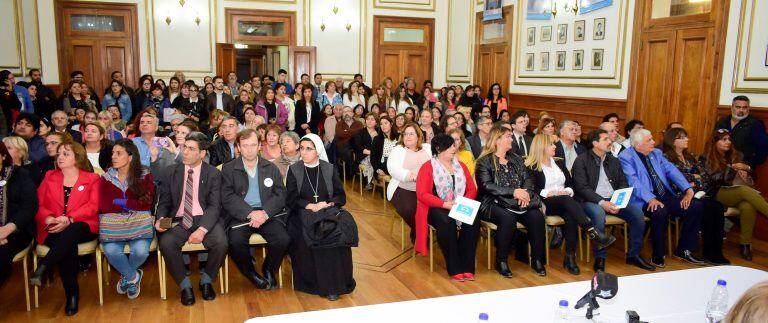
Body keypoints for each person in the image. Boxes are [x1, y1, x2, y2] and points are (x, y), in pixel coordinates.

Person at [525, 134, 616, 275]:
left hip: (564, 202)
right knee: (569, 202)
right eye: (551, 144)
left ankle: (570, 257)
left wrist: (566, 191)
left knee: (571, 214)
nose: (555, 146)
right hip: (544, 203)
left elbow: (571, 184)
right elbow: (531, 189)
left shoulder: (559, 163)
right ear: (541, 147)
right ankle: (591, 231)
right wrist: (551, 193)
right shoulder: (531, 166)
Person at [155, 132, 226, 306]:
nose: (185, 152)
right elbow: (164, 202)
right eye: (184, 147)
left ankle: (207, 280)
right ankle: (185, 285)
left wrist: (202, 230)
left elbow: (214, 206)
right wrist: (160, 219)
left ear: (202, 153)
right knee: (167, 243)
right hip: (179, 219)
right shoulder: (170, 172)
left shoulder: (213, 174)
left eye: (191, 149)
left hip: (204, 218)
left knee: (221, 242)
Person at [29, 142, 100, 316]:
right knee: (67, 246)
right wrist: (49, 218)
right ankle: (72, 295)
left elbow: (93, 206)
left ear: (77, 157)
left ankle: (44, 266)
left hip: (82, 226)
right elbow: (38, 204)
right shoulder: (49, 176)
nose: (60, 157)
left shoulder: (92, 178)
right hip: (53, 227)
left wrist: (69, 219)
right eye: (59, 154)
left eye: (66, 154)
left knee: (73, 230)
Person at [619, 129, 704, 267]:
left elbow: (672, 171)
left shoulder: (656, 153)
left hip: (665, 196)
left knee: (695, 206)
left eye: (652, 139)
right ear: (637, 144)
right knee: (659, 211)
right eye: (649, 140)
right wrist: (650, 198)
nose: (654, 142)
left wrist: (687, 189)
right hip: (643, 199)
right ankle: (658, 254)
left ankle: (684, 250)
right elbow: (633, 182)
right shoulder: (626, 157)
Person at [572, 129, 654, 272]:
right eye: (605, 139)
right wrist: (603, 203)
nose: (610, 141)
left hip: (613, 199)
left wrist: (618, 201)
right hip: (591, 200)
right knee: (598, 214)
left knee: (637, 214)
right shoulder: (581, 160)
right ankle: (600, 257)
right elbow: (582, 188)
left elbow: (623, 183)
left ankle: (633, 255)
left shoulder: (614, 160)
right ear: (595, 143)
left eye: (609, 139)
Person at [286, 134, 356, 301]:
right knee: (311, 233)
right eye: (301, 148)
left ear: (317, 151)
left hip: (327, 211)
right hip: (302, 212)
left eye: (308, 149)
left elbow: (341, 196)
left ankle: (336, 285)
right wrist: (310, 206)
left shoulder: (329, 168)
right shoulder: (294, 170)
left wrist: (328, 204)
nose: (303, 152)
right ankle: (315, 284)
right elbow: (290, 199)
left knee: (336, 233)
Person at [221, 128, 289, 290]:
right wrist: (250, 213)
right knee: (235, 241)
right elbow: (227, 197)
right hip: (241, 215)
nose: (249, 149)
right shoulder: (229, 169)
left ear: (260, 146)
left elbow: (280, 194)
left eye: (253, 145)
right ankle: (250, 272)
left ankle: (268, 268)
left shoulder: (270, 168)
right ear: (238, 147)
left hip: (267, 213)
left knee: (283, 239)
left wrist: (264, 213)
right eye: (245, 145)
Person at [413, 134, 478, 281]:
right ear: (438, 148)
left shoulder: (460, 165)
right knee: (447, 222)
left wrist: (462, 203)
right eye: (449, 146)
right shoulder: (428, 166)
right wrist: (444, 204)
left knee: (472, 220)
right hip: (435, 206)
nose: (453, 148)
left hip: (458, 204)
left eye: (454, 145)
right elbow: (422, 194)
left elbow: (472, 189)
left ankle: (467, 266)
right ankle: (454, 266)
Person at [661, 127, 730, 265]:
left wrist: (691, 179)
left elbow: (705, 177)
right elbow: (672, 181)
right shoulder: (665, 158)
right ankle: (702, 251)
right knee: (708, 207)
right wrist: (692, 179)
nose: (687, 139)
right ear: (672, 141)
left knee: (717, 206)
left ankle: (715, 251)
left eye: (686, 136)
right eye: (682, 137)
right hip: (678, 195)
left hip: (698, 193)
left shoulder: (690, 156)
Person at [99, 140, 155, 299]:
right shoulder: (105, 177)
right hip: (114, 228)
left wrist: (121, 202)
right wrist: (132, 204)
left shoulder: (144, 174)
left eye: (119, 153)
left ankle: (126, 277)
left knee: (141, 252)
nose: (114, 157)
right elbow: (105, 206)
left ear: (130, 157)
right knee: (111, 251)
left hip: (138, 226)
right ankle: (133, 277)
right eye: (113, 153)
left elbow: (146, 203)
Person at [703, 129, 768, 260]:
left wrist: (746, 169)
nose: (728, 142)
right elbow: (714, 180)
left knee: (747, 206)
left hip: (737, 192)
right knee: (744, 191)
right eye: (723, 139)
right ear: (715, 142)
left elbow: (753, 177)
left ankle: (745, 244)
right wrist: (732, 170)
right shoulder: (706, 157)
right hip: (717, 192)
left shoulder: (737, 155)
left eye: (729, 139)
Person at [0, 142, 38, 288]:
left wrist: (7, 229)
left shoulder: (19, 174)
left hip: (16, 229)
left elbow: (30, 206)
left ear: (3, 156)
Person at [387, 123, 431, 242]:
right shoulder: (398, 150)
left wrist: (421, 174)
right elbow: (392, 168)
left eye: (411, 134)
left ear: (418, 136)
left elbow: (435, 166)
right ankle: (420, 231)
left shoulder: (427, 148)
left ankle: (419, 231)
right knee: (409, 209)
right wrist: (412, 176)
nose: (407, 136)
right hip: (403, 187)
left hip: (426, 188)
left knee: (435, 208)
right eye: (405, 134)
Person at [714, 96, 768, 169]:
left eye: (744, 107)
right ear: (732, 108)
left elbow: (763, 148)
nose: (741, 110)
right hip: (720, 164)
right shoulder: (722, 122)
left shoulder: (755, 124)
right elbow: (713, 142)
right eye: (738, 107)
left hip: (742, 167)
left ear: (748, 109)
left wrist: (748, 166)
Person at [335, 106, 364, 176]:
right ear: (342, 114)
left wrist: (347, 132)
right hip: (343, 147)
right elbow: (340, 134)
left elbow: (361, 133)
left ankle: (360, 172)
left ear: (352, 113)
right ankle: (353, 169)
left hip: (356, 145)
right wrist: (354, 133)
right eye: (344, 112)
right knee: (347, 149)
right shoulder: (339, 124)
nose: (346, 113)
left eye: (348, 111)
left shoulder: (359, 123)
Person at [354, 113, 379, 189]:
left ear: (376, 122)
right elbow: (357, 146)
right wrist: (370, 152)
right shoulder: (360, 132)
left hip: (376, 155)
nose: (369, 121)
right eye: (368, 119)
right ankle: (370, 181)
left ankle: (381, 183)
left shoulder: (379, 132)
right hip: (363, 156)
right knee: (372, 160)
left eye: (372, 119)